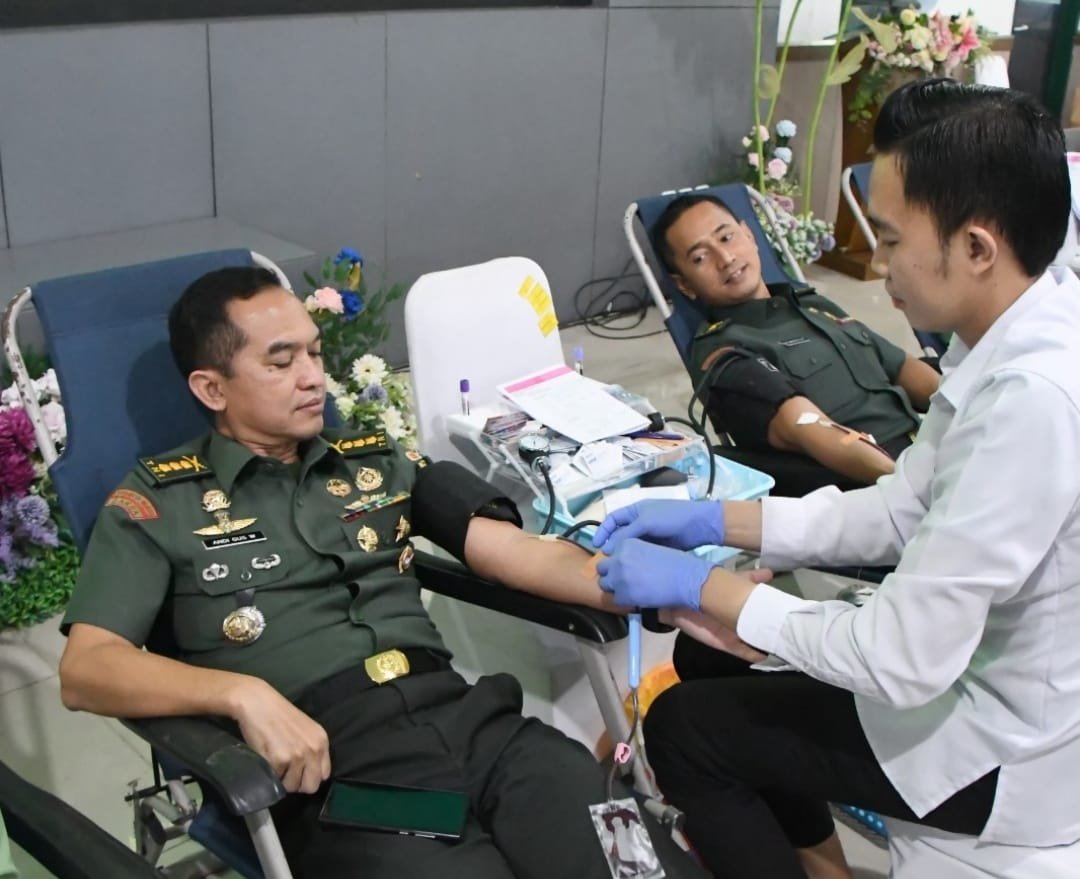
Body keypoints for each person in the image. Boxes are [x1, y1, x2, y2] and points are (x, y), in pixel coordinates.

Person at [56, 266, 708, 879]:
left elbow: (516, 551)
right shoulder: (159, 504)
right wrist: (240, 695)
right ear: (211, 388)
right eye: (281, 362)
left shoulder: (370, 461)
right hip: (346, 778)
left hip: (482, 731)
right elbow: (87, 668)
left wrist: (686, 589)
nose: (313, 377)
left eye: (315, 353)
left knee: (632, 863)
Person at [593, 79, 1080, 879]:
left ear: (976, 247)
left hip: (1007, 748)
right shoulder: (1016, 326)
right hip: (979, 677)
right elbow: (902, 507)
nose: (877, 265)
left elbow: (901, 656)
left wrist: (706, 586)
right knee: (716, 664)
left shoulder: (1034, 403)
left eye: (889, 239)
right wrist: (720, 520)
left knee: (684, 730)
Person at [653, 192, 940, 489]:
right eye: (700, 258)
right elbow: (807, 428)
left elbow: (903, 368)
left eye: (726, 238)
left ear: (749, 235)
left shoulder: (810, 304)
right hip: (876, 481)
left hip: (931, 448)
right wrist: (912, 486)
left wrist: (967, 423)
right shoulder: (722, 351)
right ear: (684, 284)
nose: (725, 259)